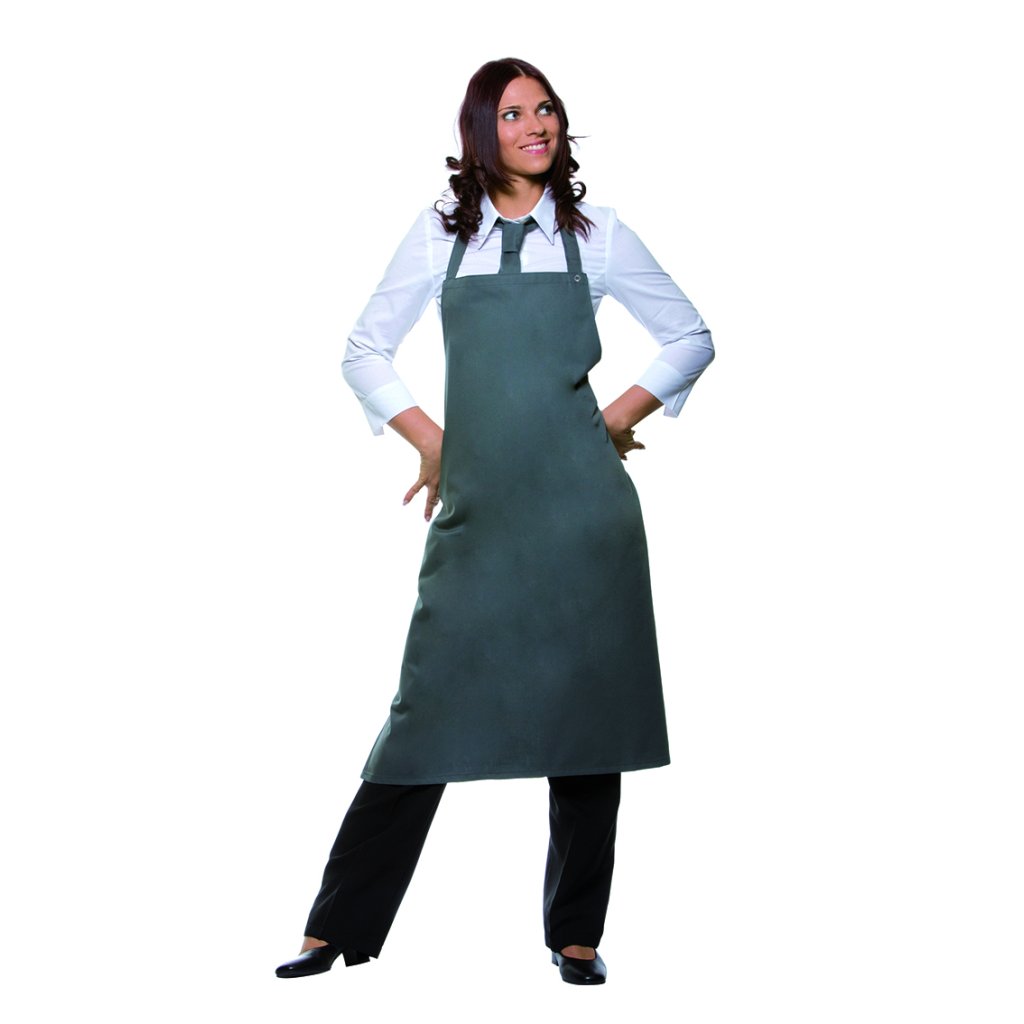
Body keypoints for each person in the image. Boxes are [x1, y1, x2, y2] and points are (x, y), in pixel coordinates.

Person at [275, 57, 714, 987]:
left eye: (546, 108)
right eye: (513, 113)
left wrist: (608, 422)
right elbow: (363, 350)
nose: (536, 124)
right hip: (480, 514)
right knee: (423, 714)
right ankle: (336, 926)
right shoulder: (443, 233)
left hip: (584, 519)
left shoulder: (598, 235)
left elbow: (691, 337)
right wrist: (436, 441)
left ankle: (575, 936)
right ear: (481, 130)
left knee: (588, 720)